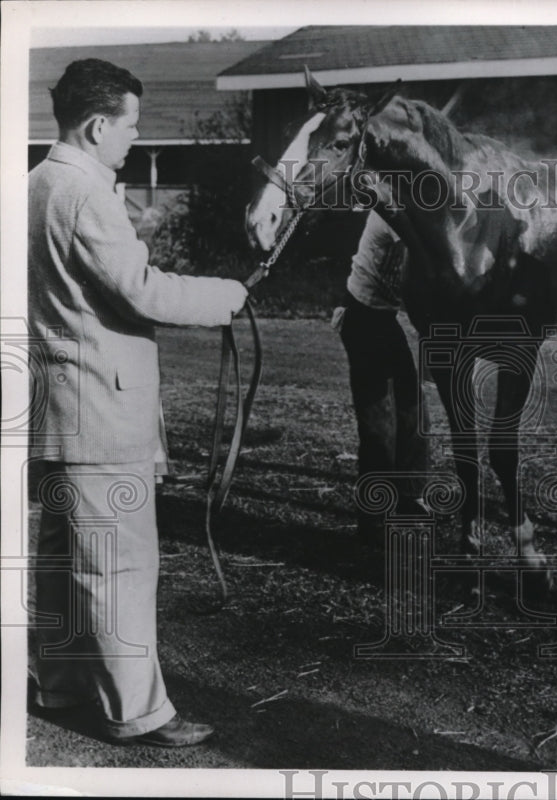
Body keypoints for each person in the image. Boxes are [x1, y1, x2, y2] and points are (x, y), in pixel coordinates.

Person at [28, 59, 247, 745]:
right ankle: (138, 712)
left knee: (66, 561)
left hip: (62, 408)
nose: (133, 139)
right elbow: (141, 289)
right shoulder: (84, 193)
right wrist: (225, 296)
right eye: (130, 127)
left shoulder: (36, 183)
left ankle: (60, 686)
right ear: (97, 125)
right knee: (119, 565)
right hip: (101, 413)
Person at [336, 210, 428, 534]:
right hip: (362, 315)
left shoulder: (411, 203)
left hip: (383, 318)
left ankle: (409, 497)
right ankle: (374, 517)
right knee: (378, 421)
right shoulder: (393, 207)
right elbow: (420, 265)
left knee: (412, 404)